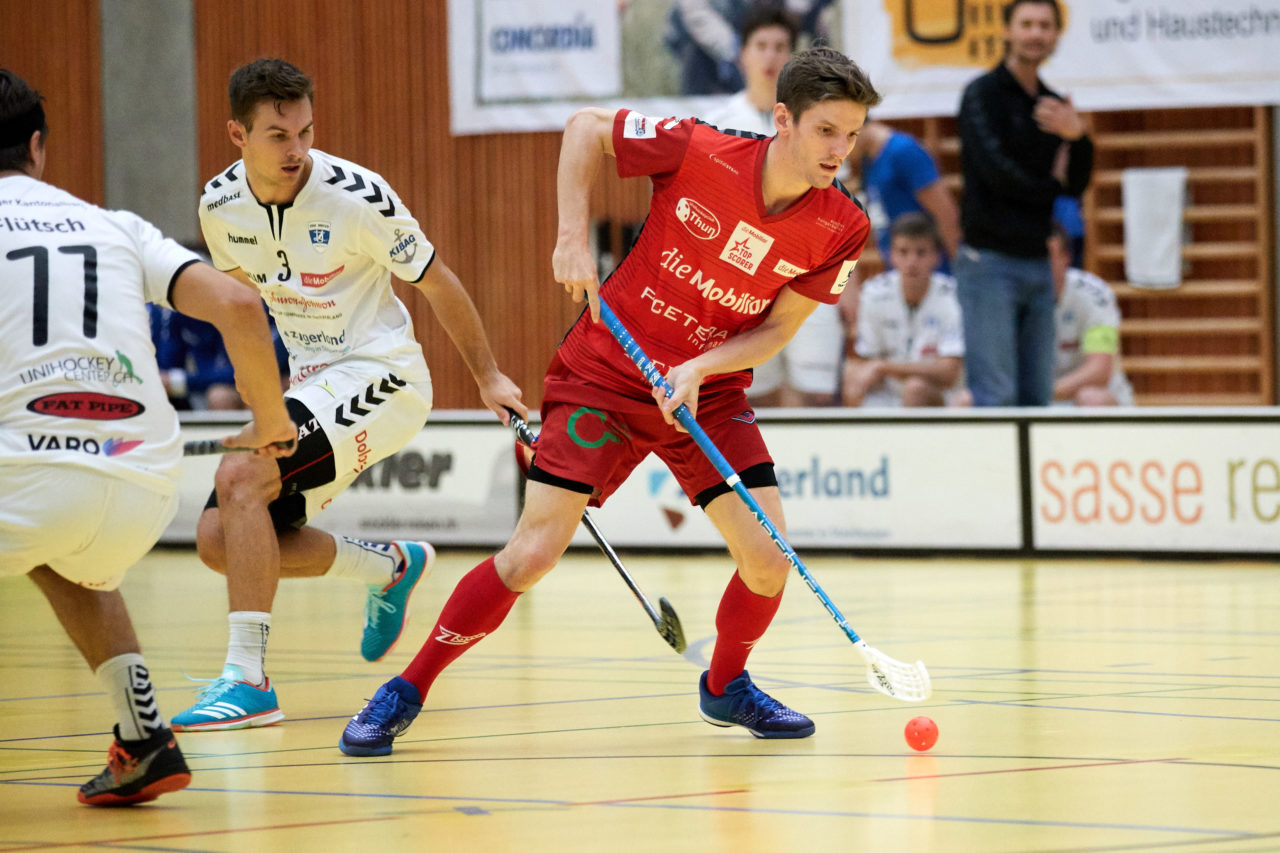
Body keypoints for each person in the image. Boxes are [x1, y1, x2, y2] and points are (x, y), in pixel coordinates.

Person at [337, 47, 880, 756]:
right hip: (605, 374)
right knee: (532, 554)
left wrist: (700, 366)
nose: (840, 149)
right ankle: (404, 689)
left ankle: (725, 686)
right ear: (783, 119)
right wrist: (572, 237)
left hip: (706, 393)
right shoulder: (702, 150)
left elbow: (778, 329)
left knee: (768, 560)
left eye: (852, 134)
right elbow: (586, 127)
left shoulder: (843, 225)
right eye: (826, 130)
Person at [172, 58, 526, 732]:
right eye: (278, 135)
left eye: (305, 131)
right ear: (237, 134)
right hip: (309, 384)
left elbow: (438, 280)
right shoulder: (219, 207)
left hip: (382, 375)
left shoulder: (358, 197)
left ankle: (247, 680)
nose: (297, 150)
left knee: (240, 476)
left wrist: (488, 376)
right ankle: (388, 566)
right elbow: (241, 309)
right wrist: (261, 397)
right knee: (220, 538)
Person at [0, 69, 295, 805]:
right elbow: (238, 304)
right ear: (37, 147)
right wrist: (271, 421)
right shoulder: (114, 224)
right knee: (64, 559)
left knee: (39, 524)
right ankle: (144, 740)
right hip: (140, 481)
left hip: (23, 471)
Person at [954, 0, 1093, 406]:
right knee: (995, 395)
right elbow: (998, 174)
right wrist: (1051, 187)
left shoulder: (1053, 104)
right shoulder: (982, 94)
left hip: (1037, 262)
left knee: (1038, 398)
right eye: (1027, 24)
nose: (1036, 33)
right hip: (988, 262)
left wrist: (1079, 138)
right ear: (1007, 31)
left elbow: (1075, 185)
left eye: (1045, 26)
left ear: (1056, 36)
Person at [705, 8, 842, 407]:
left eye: (780, 47)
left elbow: (842, 204)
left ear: (793, 57)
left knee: (815, 393)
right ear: (742, 55)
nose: (770, 56)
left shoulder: (818, 121)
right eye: (761, 46)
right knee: (753, 393)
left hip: (809, 269)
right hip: (740, 274)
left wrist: (844, 280)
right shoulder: (716, 123)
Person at [842, 213, 965, 407]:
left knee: (915, 388)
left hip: (940, 396)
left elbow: (948, 373)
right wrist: (871, 372)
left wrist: (883, 367)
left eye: (921, 253)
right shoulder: (873, 294)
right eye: (903, 252)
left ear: (936, 257)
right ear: (891, 255)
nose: (911, 262)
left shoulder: (953, 296)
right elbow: (866, 360)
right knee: (851, 376)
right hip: (887, 391)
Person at [1048, 223, 1133, 406]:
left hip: (1086, 398)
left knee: (1091, 398)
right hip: (1036, 403)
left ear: (1066, 258)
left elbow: (1099, 371)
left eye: (1049, 257)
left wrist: (1042, 392)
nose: (1041, 267)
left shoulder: (1094, 295)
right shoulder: (1004, 299)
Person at [856, 121, 960, 269]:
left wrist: (960, 266)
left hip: (931, 271)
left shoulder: (903, 151)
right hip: (900, 269)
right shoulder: (869, 159)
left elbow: (945, 212)